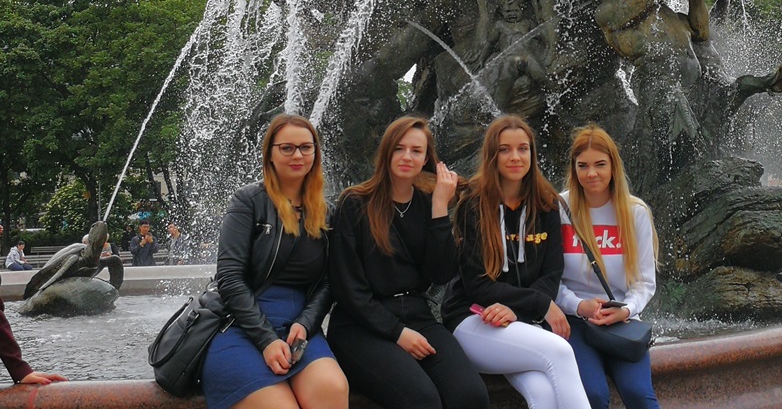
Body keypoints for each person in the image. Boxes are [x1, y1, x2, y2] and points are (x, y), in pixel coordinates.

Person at [328, 117, 489, 409]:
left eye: (416, 151)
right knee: (421, 401)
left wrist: (440, 207)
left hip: (417, 317)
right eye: (399, 148)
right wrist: (397, 332)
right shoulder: (355, 203)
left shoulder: (428, 204)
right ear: (386, 152)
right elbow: (347, 289)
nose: (406, 156)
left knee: (471, 396)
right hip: (359, 326)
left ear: (426, 158)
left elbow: (440, 273)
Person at [441, 115, 589, 408]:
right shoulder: (474, 204)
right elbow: (478, 285)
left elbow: (552, 273)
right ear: (492, 156)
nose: (515, 157)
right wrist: (540, 304)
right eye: (505, 149)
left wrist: (518, 308)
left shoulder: (547, 204)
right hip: (474, 319)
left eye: (523, 149)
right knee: (560, 352)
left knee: (544, 393)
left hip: (521, 320)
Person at [202, 114, 348, 409]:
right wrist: (266, 339)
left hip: (299, 330)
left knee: (332, 389)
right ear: (270, 154)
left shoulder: (326, 213)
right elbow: (229, 277)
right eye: (287, 148)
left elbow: (330, 282)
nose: (298, 155)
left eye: (306, 147)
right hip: (242, 326)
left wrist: (306, 323)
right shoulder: (249, 201)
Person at [556, 124, 659, 409]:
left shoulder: (635, 212)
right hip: (574, 321)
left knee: (639, 394)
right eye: (583, 166)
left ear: (613, 166)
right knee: (593, 395)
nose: (591, 173)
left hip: (621, 321)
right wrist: (579, 306)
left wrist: (625, 309)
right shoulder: (559, 209)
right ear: (574, 168)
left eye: (600, 164)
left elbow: (644, 282)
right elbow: (549, 278)